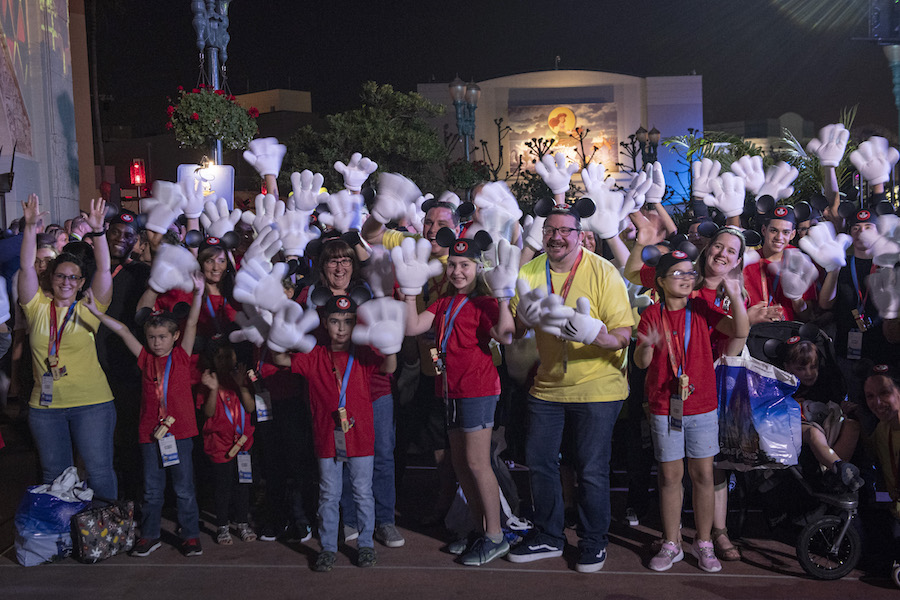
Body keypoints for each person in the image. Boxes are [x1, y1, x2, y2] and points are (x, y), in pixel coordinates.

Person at [508, 206, 634, 573]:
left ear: (579, 235)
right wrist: (520, 319)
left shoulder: (602, 270)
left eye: (566, 230)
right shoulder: (529, 272)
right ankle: (549, 534)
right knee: (540, 461)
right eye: (551, 230)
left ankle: (594, 541)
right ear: (543, 234)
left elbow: (624, 334)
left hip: (599, 388)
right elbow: (514, 331)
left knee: (591, 468)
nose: (558, 237)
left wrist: (597, 335)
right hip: (547, 387)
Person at [402, 230, 515, 566]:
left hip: (477, 390)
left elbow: (506, 336)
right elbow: (413, 327)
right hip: (450, 390)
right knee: (462, 465)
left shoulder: (484, 302)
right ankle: (479, 530)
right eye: (452, 265)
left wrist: (505, 298)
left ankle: (495, 536)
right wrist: (409, 293)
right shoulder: (444, 302)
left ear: (478, 267)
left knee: (479, 463)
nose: (457, 272)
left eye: (465, 265)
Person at [634, 249, 748, 573]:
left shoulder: (700, 308)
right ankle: (672, 542)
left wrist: (736, 296)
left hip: (701, 405)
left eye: (689, 273)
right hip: (663, 405)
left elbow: (739, 330)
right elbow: (641, 364)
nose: (685, 278)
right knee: (670, 476)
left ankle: (704, 542)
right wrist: (646, 344)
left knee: (703, 475)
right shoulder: (651, 315)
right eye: (677, 274)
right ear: (660, 282)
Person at [82, 272, 205, 557]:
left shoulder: (182, 357)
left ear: (175, 336)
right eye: (151, 337)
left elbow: (194, 323)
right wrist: (95, 312)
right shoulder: (145, 358)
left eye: (162, 337)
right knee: (151, 490)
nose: (157, 342)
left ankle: (190, 536)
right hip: (150, 434)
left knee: (184, 489)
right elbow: (124, 331)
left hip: (181, 432)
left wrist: (198, 293)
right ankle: (150, 535)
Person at [272, 295, 397, 572]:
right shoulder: (314, 355)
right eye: (334, 321)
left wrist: (391, 347)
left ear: (356, 325)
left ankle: (365, 545)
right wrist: (279, 337)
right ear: (325, 324)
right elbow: (280, 359)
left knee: (363, 492)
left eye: (348, 322)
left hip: (361, 436)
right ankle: (328, 547)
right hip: (328, 437)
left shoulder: (362, 353)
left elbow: (389, 368)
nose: (341, 328)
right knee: (329, 494)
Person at [18, 194, 118, 498]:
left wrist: (99, 232)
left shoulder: (90, 307)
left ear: (80, 282)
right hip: (46, 409)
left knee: (99, 472)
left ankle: (103, 540)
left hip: (92, 405)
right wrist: (30, 227)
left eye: (73, 278)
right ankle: (63, 539)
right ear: (51, 276)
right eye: (60, 275)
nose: (65, 282)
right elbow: (25, 268)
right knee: (54, 478)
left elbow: (103, 270)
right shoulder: (36, 306)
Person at [783, 339, 864, 491]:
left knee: (852, 426)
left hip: (825, 422)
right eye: (801, 368)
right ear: (787, 367)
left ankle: (838, 475)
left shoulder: (827, 382)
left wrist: (845, 408)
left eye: (813, 367)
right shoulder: (783, 386)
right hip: (796, 426)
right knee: (814, 432)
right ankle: (837, 467)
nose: (809, 373)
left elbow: (834, 405)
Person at [199, 338, 257, 545]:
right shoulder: (208, 380)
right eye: (219, 357)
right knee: (222, 487)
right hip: (219, 446)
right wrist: (213, 389)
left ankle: (242, 522)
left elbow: (251, 408)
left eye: (229, 356)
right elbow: (208, 412)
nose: (225, 361)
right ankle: (222, 525)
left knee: (243, 485)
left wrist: (242, 386)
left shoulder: (240, 377)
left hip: (243, 445)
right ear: (212, 359)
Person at [742, 206, 815, 322]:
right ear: (764, 230)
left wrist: (796, 297)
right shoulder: (748, 261)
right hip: (752, 333)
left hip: (788, 335)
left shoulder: (800, 262)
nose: (779, 237)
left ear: (792, 234)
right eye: (773, 230)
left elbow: (807, 316)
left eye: (785, 232)